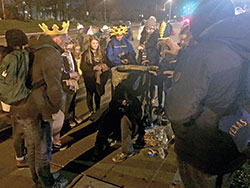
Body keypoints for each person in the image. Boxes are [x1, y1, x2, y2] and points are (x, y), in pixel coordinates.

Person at [166, 0, 249, 187]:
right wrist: (182, 55)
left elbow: (178, 111)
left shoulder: (202, 53)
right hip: (234, 145)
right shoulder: (241, 43)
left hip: (202, 152)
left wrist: (172, 87)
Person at [10, 22, 69, 188]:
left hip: (21, 107)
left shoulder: (33, 48)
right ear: (57, 38)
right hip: (37, 110)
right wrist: (54, 109)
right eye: (65, 37)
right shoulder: (51, 54)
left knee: (33, 148)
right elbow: (54, 87)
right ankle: (47, 183)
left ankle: (38, 180)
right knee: (43, 150)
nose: (67, 40)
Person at [80, 35, 109, 114]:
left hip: (99, 77)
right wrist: (93, 68)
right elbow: (82, 66)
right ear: (90, 44)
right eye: (93, 43)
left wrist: (103, 66)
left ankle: (98, 109)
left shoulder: (101, 53)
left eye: (96, 43)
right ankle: (91, 110)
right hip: (89, 77)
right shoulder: (86, 54)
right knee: (90, 93)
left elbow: (106, 61)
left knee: (98, 92)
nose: (95, 45)